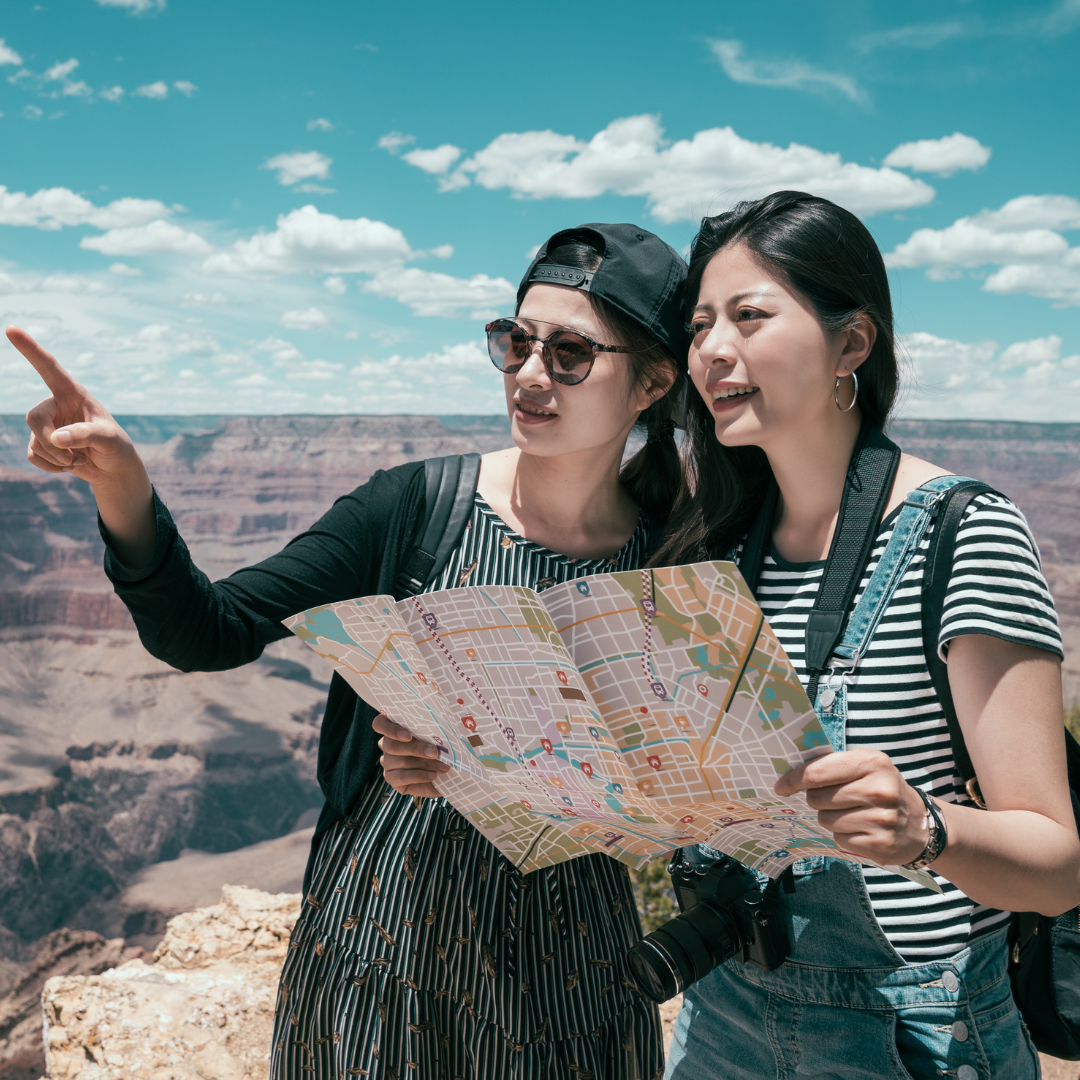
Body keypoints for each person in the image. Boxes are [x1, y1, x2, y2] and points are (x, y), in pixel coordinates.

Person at [10, 221, 688, 1080]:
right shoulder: (414, 508)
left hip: (573, 979)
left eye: (570, 354)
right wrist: (122, 484)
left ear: (652, 382)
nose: (527, 374)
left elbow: (691, 779)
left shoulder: (674, 559)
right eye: (515, 341)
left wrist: (530, 766)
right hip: (380, 956)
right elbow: (206, 630)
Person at [656, 191, 1075, 1079]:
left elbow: (1056, 865)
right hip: (722, 1013)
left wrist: (926, 828)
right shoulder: (718, 550)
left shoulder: (963, 533)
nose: (713, 349)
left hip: (911, 1032)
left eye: (749, 315)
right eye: (699, 325)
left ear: (852, 344)